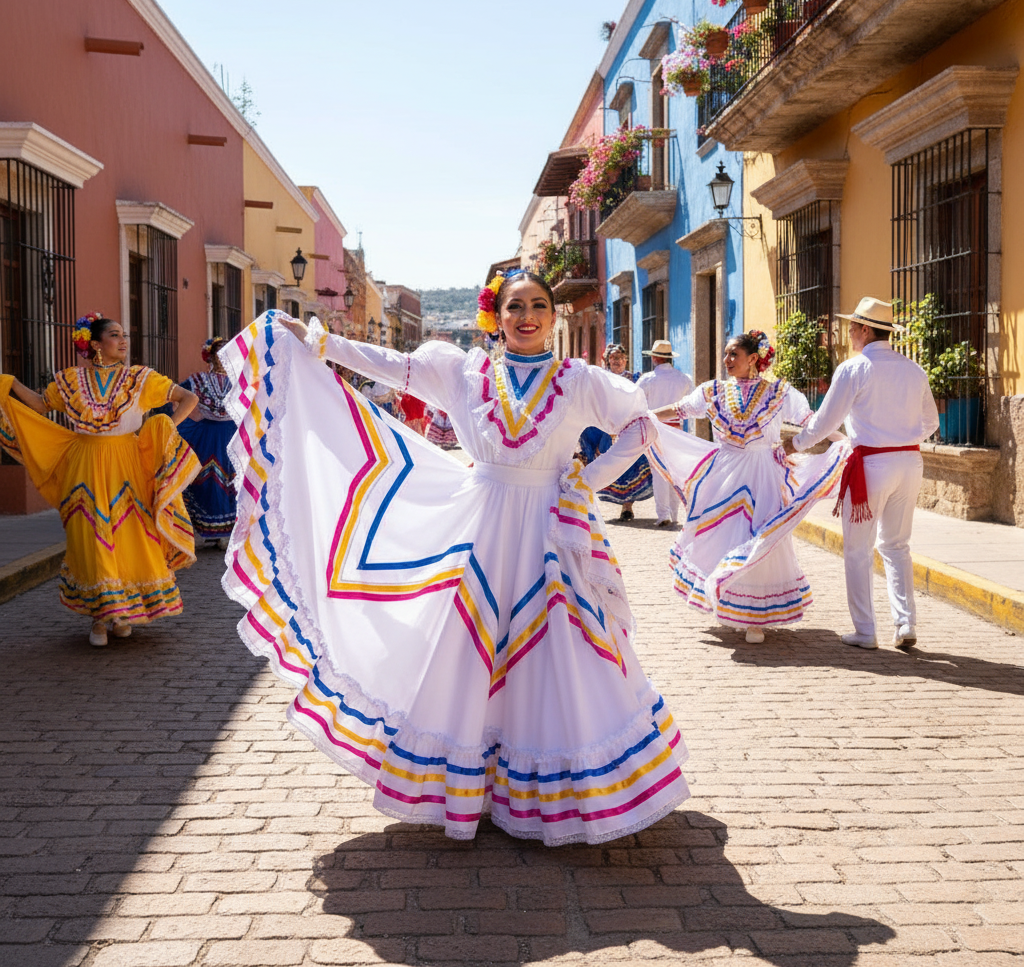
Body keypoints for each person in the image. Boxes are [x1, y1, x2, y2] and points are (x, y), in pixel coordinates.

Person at [220, 270, 689, 845]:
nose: (528, 317)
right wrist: (318, 341)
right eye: (516, 306)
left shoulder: (581, 380)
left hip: (550, 529)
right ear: (496, 315)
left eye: (539, 306)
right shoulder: (463, 372)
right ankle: (475, 783)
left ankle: (562, 790)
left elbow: (640, 425)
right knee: (469, 649)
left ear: (553, 316)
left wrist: (586, 482)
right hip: (480, 527)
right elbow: (389, 363)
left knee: (560, 648)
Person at [0, 313, 200, 646]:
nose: (123, 341)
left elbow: (188, 398)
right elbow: (40, 404)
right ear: (95, 344)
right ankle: (101, 617)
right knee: (92, 536)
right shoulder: (71, 380)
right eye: (115, 335)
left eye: (124, 335)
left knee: (127, 536)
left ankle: (119, 613)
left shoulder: (140, 378)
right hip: (84, 465)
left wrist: (166, 427)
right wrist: (10, 384)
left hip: (128, 465)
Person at [652, 330, 848, 644]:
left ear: (753, 359)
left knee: (759, 535)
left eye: (734, 354)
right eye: (726, 354)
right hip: (724, 473)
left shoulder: (779, 392)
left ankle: (754, 618)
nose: (727, 360)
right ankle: (728, 601)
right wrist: (647, 417)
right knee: (722, 534)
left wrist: (842, 440)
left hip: (763, 473)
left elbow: (810, 420)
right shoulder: (713, 390)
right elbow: (680, 410)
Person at [783, 297, 939, 650]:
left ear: (866, 330)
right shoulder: (913, 369)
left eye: (852, 327)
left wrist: (796, 444)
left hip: (870, 466)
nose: (849, 333)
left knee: (858, 549)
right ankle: (905, 623)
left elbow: (826, 421)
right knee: (897, 545)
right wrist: (900, 439)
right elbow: (931, 422)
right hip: (909, 463)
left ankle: (866, 630)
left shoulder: (854, 369)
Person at [578, 343, 653, 521]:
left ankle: (627, 506)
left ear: (626, 360)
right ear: (607, 360)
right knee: (608, 466)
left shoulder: (635, 379)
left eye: (620, 357)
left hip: (628, 427)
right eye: (613, 358)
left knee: (630, 465)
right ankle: (590, 505)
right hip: (606, 429)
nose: (617, 361)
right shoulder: (602, 379)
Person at [178, 338, 237, 549]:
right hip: (208, 435)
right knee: (208, 480)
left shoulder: (241, 380)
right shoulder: (198, 380)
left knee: (229, 480)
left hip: (230, 434)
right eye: (219, 353)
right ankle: (211, 530)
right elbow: (174, 393)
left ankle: (226, 531)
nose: (222, 358)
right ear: (210, 356)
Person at [638, 339, 694, 527]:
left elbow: (636, 401)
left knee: (659, 471)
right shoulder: (684, 379)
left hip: (655, 429)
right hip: (676, 429)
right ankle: (675, 514)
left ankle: (663, 514)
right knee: (674, 472)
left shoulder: (647, 379)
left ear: (654, 358)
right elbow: (691, 403)